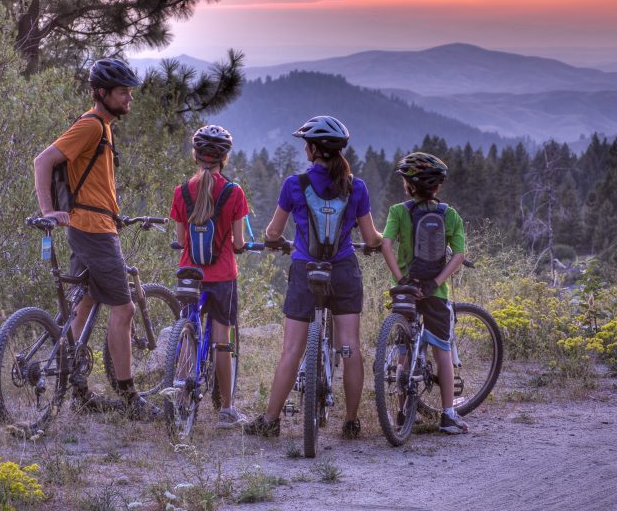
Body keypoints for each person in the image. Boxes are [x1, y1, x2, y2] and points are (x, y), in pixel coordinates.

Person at [32, 58, 158, 419]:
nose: (129, 97)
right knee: (125, 308)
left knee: (83, 305)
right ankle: (131, 397)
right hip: (94, 232)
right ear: (102, 93)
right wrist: (48, 211)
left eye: (129, 91)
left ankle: (79, 391)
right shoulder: (91, 126)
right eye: (123, 92)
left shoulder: (104, 126)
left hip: (92, 225)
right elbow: (42, 161)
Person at [243, 115, 382, 439]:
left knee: (292, 349)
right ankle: (350, 420)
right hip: (344, 271)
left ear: (311, 150)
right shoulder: (356, 187)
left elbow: (273, 231)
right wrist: (377, 242)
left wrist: (277, 240)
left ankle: (271, 421)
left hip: (305, 270)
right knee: (350, 347)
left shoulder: (295, 184)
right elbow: (371, 236)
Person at [380, 151, 469, 434]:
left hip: (407, 291)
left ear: (408, 185)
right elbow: (459, 255)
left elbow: (386, 245)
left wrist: (402, 279)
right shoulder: (450, 215)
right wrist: (435, 282)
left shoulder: (398, 211)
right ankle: (448, 414)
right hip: (435, 291)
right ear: (437, 187)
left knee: (405, 348)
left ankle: (404, 411)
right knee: (442, 349)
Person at [169, 124, 250, 428]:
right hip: (222, 277)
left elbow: (180, 238)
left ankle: (179, 390)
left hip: (189, 274)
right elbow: (239, 242)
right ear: (224, 159)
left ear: (196, 156)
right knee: (222, 342)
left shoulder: (181, 191)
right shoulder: (234, 192)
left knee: (188, 332)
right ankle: (227, 409)